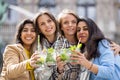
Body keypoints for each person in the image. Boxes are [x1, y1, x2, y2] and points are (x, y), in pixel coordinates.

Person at [33, 10, 64, 80]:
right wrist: (48, 65)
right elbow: (39, 77)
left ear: (54, 22)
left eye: (49, 21)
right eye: (42, 24)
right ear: (39, 29)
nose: (47, 25)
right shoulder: (37, 48)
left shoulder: (65, 42)